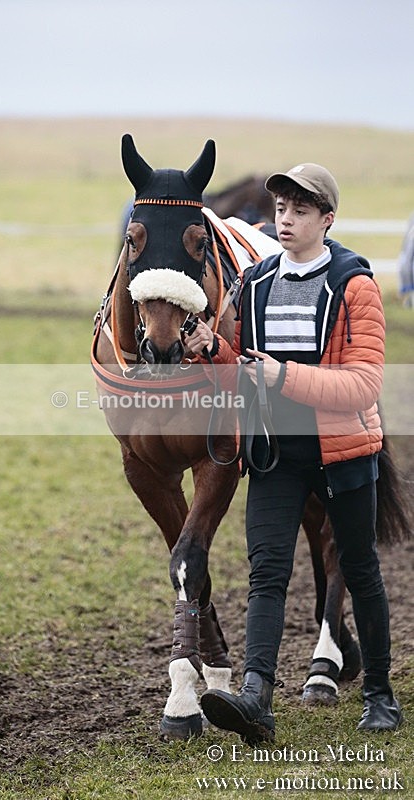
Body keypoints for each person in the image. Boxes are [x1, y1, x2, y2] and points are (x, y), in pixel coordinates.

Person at [185, 162, 403, 743]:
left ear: (326, 220)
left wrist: (282, 377)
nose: (285, 220)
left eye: (300, 211)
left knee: (360, 570)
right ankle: (257, 698)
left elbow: (364, 384)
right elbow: (247, 369)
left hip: (345, 453)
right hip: (275, 454)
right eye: (281, 209)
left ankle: (380, 695)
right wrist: (214, 350)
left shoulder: (355, 284)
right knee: (267, 575)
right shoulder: (253, 284)